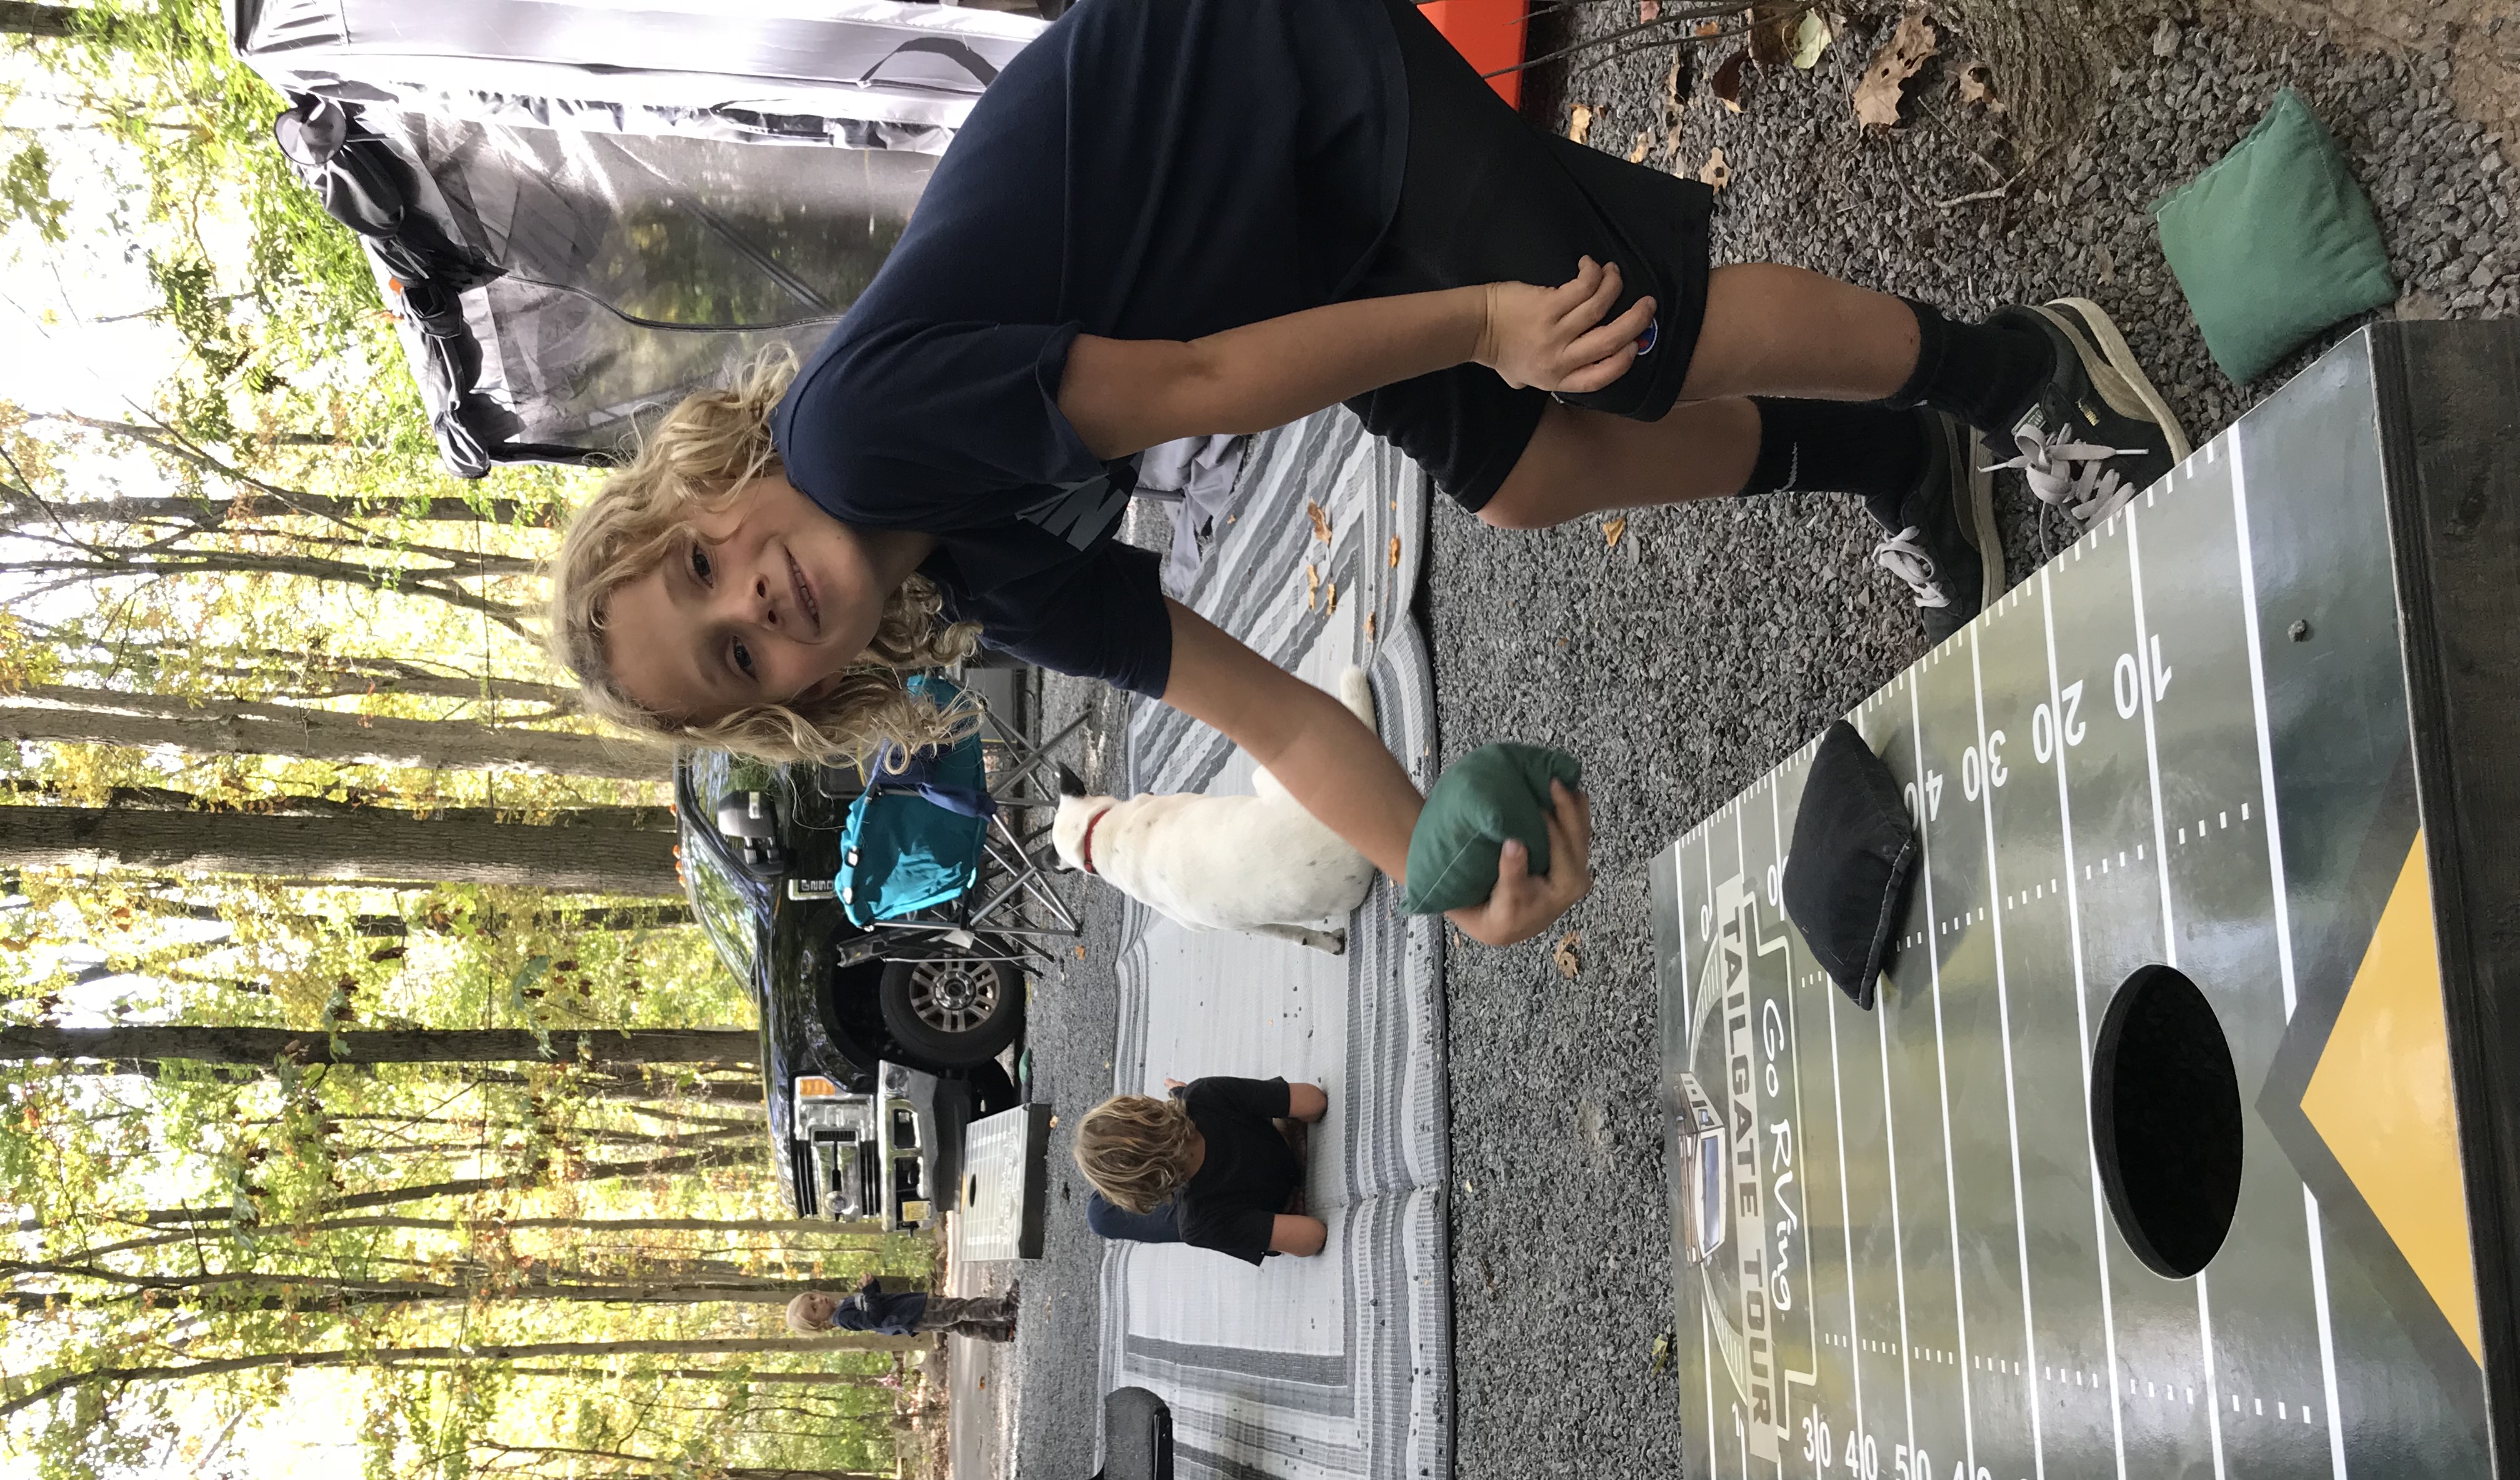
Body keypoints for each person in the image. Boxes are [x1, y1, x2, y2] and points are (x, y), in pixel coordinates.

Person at [549, 0, 2186, 952]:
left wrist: (1486, 321)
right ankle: (1897, 454)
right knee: (1535, 476)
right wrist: (1435, 878)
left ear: (712, 491)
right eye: (739, 657)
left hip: (1267, 86)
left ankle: (2023, 371)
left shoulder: (854, 432)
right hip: (1283, 246)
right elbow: (1267, 716)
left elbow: (1191, 386)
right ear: (800, 692)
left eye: (703, 572)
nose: (752, 603)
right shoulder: (976, 584)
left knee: (1614, 342)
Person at [1072, 1077, 1329, 1263]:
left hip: (1263, 1208)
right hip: (1273, 1145)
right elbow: (1314, 1101)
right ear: (1145, 1106)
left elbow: (1313, 1237)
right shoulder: (1204, 1094)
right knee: (1097, 1211)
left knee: (1099, 1216)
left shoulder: (1197, 1223)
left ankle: (1137, 1173)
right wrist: (1185, 1097)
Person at [786, 1276, 1019, 1342]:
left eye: (813, 1298)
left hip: (909, 1314)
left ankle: (1002, 1332)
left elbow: (875, 1301)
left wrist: (871, 1286)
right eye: (814, 1309)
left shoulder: (843, 1306)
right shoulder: (843, 1318)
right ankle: (1004, 1307)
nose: (819, 1301)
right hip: (912, 1313)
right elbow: (874, 1319)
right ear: (820, 1323)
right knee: (959, 1309)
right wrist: (868, 1292)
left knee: (957, 1323)